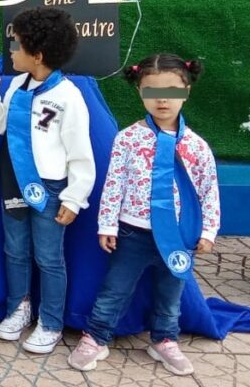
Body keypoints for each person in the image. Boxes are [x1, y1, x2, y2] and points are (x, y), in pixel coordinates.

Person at [68, 54, 219, 376]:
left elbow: (209, 192)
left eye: (172, 90)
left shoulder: (197, 146)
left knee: (170, 292)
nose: (162, 99)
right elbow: (114, 185)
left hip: (178, 237)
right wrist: (107, 223)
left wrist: (207, 232)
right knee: (115, 288)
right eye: (152, 90)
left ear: (187, 90)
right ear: (139, 92)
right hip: (133, 234)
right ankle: (96, 336)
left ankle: (164, 340)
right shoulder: (128, 139)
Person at [0, 6, 95, 354]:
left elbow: (80, 154)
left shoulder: (69, 97)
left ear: (38, 54)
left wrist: (74, 198)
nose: (10, 52)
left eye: (16, 46)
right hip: (13, 181)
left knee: (49, 257)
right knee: (15, 250)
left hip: (50, 190)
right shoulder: (16, 85)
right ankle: (19, 308)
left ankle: (51, 322)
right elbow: (0, 125)